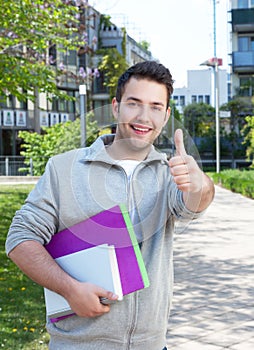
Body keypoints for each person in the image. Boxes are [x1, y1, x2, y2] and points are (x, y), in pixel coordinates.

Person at [5, 60, 214, 350]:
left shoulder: (169, 175)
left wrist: (199, 182)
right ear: (115, 107)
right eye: (134, 103)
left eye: (155, 107)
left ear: (166, 116)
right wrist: (70, 290)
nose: (144, 116)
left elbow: (194, 205)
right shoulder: (64, 169)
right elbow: (19, 239)